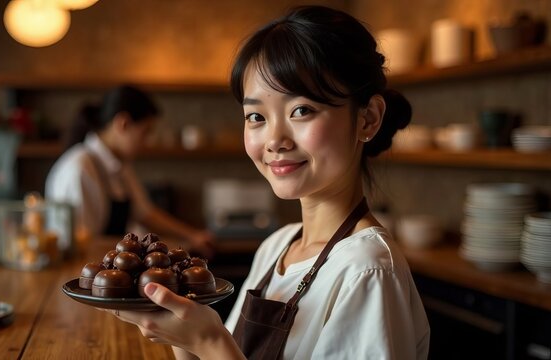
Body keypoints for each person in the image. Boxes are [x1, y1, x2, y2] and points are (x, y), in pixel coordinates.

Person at [105, 6, 430, 359]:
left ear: (368, 119)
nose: (275, 140)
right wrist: (180, 331)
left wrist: (209, 342)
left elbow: (218, 350)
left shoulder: (367, 270)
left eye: (301, 110)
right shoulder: (276, 247)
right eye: (256, 116)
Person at [45, 85, 213, 256]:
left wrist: (192, 235)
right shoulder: (80, 168)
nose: (146, 142)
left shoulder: (120, 167)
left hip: (108, 269)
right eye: (145, 132)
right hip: (84, 270)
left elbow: (146, 214)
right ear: (123, 123)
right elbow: (81, 241)